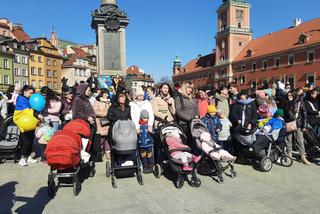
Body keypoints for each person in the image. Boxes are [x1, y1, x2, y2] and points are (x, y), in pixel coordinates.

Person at [14, 85, 44, 166]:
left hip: (31, 122)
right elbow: (27, 110)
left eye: (33, 93)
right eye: (30, 93)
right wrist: (38, 116)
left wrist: (37, 118)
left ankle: (28, 156)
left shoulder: (29, 99)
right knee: (25, 140)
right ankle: (22, 158)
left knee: (31, 139)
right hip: (24, 122)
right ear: (25, 91)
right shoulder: (21, 99)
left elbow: (34, 109)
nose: (32, 95)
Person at [283, 90, 311, 165]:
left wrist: (304, 126)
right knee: (288, 140)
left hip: (298, 124)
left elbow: (304, 115)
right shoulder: (286, 102)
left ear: (294, 95)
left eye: (290, 95)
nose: (289, 97)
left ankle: (303, 156)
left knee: (300, 141)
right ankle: (289, 155)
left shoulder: (300, 102)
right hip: (289, 123)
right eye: (288, 95)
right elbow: (284, 114)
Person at [175, 82, 198, 150]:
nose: (190, 89)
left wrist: (197, 116)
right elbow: (179, 111)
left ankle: (194, 156)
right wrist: (189, 118)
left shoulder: (193, 98)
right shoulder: (179, 98)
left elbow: (196, 109)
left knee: (193, 141)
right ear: (184, 88)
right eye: (188, 88)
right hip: (184, 124)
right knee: (185, 142)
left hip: (193, 123)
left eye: (191, 88)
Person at [93, 88, 111, 161]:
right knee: (101, 139)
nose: (106, 95)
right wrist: (105, 114)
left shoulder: (109, 102)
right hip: (101, 123)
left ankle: (108, 154)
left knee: (108, 139)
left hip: (108, 122)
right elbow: (95, 112)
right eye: (104, 94)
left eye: (107, 94)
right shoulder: (97, 102)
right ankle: (99, 154)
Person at [137, 110, 154, 174]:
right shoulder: (138, 125)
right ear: (141, 118)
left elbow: (152, 132)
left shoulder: (149, 125)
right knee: (143, 155)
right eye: (144, 118)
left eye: (147, 118)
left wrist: (152, 131)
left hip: (149, 144)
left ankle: (151, 165)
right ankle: (145, 166)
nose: (146, 119)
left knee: (150, 155)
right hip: (141, 144)